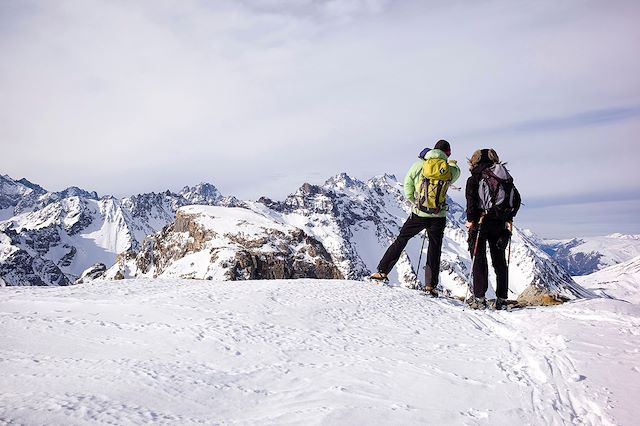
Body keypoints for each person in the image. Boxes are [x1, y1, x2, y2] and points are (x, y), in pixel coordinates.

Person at [371, 140, 461, 295]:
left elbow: (407, 185)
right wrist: (449, 162)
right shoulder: (449, 169)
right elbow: (455, 175)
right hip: (438, 215)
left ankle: (382, 272)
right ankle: (430, 286)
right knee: (435, 248)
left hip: (418, 213)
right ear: (448, 152)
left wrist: (415, 202)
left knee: (401, 239)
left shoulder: (418, 165)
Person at [464, 149, 521, 309]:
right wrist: (508, 217)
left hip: (481, 222)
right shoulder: (504, 176)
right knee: (499, 260)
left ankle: (480, 299)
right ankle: (501, 299)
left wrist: (471, 221)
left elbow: (471, 204)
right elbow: (516, 199)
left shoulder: (474, 178)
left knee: (479, 258)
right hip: (500, 222)